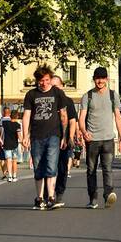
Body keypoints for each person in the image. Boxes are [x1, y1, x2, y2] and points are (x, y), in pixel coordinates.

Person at [22, 66, 69, 211]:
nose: (44, 83)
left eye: (47, 80)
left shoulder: (57, 93)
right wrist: (25, 135)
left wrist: (64, 135)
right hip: (36, 136)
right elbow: (27, 115)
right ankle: (39, 198)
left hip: (54, 135)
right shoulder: (31, 95)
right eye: (41, 81)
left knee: (51, 166)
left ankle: (51, 197)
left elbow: (63, 116)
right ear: (37, 81)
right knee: (38, 167)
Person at [79, 67, 121, 209]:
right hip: (92, 139)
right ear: (94, 79)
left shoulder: (113, 95)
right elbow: (81, 118)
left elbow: (118, 117)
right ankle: (93, 199)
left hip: (108, 139)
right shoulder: (88, 96)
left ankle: (108, 195)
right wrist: (84, 131)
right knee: (91, 169)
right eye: (97, 78)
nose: (99, 81)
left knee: (108, 168)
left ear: (106, 79)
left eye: (102, 78)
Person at [52, 73, 80, 208]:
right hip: (49, 138)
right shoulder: (48, 101)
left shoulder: (68, 101)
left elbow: (73, 121)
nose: (54, 89)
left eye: (56, 86)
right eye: (52, 86)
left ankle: (59, 193)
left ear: (62, 86)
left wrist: (70, 137)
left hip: (64, 139)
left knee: (62, 168)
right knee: (49, 167)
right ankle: (47, 195)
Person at [0, 106, 21, 183]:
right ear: (17, 116)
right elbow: (19, 136)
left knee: (8, 160)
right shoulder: (17, 125)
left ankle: (9, 177)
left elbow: (1, 131)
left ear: (10, 116)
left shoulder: (5, 123)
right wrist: (22, 142)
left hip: (6, 144)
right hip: (14, 144)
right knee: (14, 161)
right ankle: (14, 176)